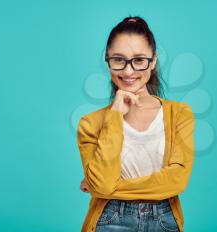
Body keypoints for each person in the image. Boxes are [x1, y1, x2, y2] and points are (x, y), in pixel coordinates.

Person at [77, 16, 195, 232]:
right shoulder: (90, 124)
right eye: (118, 60)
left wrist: (107, 188)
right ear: (108, 60)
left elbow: (177, 181)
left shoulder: (180, 114)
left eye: (139, 60)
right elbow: (102, 184)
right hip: (110, 220)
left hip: (164, 220)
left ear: (153, 60)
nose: (128, 71)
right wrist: (114, 116)